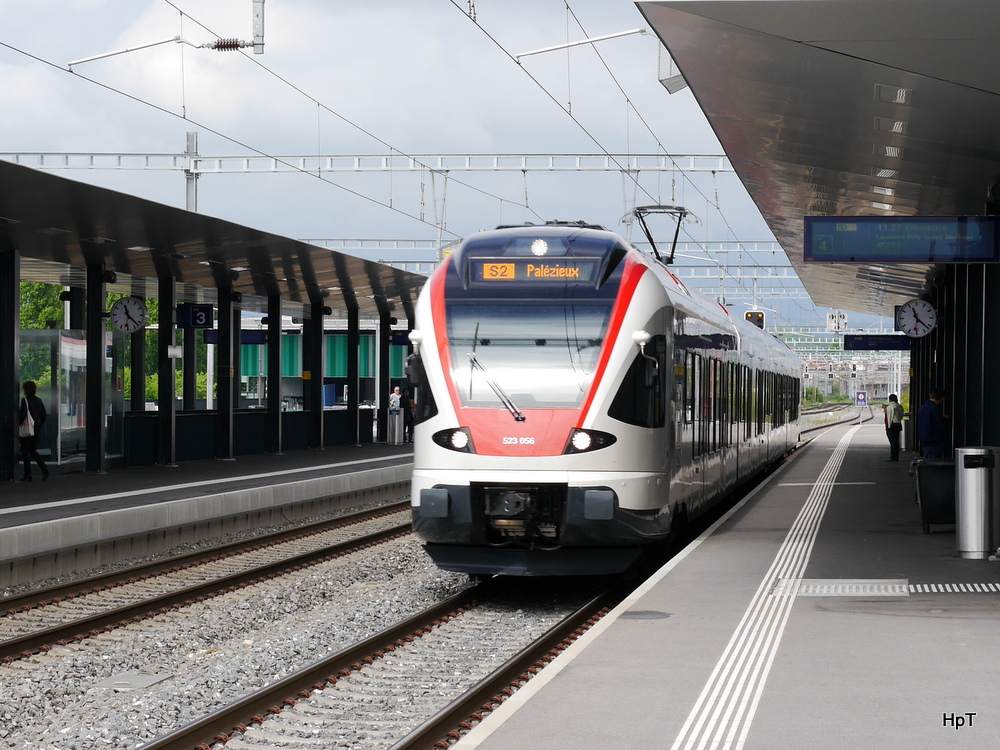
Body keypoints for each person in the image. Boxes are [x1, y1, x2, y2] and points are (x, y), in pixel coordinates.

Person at [18, 381, 49, 482]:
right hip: (36, 429)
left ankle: (28, 473)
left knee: (25, 451)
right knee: (33, 451)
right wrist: (38, 425)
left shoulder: (25, 400)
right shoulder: (38, 400)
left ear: (26, 389)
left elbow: (22, 416)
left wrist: (19, 425)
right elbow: (44, 415)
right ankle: (44, 470)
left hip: (27, 430)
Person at [917, 387, 947, 459]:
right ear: (941, 398)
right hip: (934, 440)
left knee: (928, 460)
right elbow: (939, 425)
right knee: (934, 462)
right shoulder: (935, 409)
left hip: (924, 439)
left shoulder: (922, 407)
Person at [882, 394, 904, 461]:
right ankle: (895, 456)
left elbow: (888, 415)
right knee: (896, 441)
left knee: (893, 442)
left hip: (891, 425)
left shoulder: (890, 406)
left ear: (890, 399)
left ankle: (894, 457)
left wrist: (884, 408)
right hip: (898, 425)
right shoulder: (899, 406)